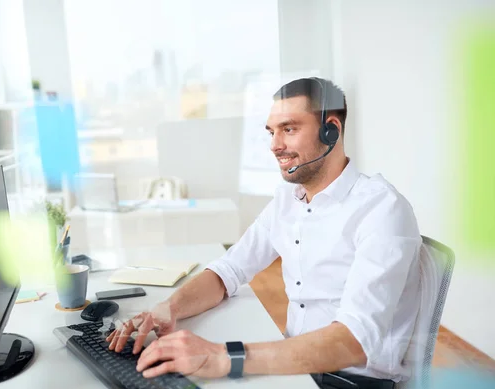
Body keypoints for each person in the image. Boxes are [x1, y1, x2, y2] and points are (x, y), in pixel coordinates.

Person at [106, 77, 422, 389]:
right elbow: (230, 270)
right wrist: (168, 308)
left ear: (332, 130)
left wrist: (222, 357)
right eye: (272, 132)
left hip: (347, 381)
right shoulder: (288, 199)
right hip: (295, 364)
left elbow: (353, 341)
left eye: (289, 129)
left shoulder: (381, 209)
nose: (275, 145)